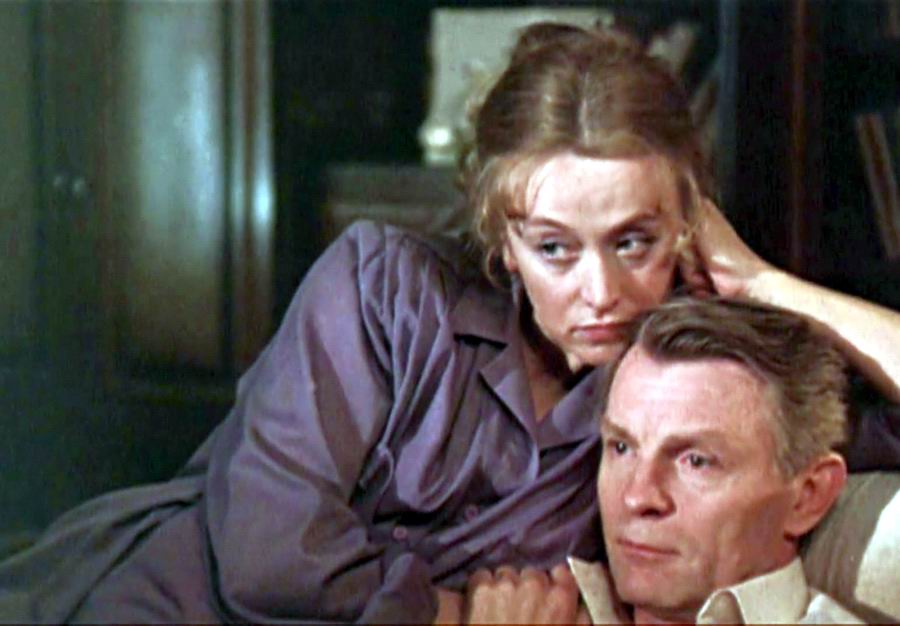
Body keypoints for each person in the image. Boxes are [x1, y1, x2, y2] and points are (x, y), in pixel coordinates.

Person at [1, 22, 898, 624]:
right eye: (554, 248)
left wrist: (765, 280)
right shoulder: (386, 288)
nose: (600, 291)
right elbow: (268, 556)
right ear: (503, 239)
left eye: (633, 241)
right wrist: (458, 615)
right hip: (166, 600)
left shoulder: (696, 390)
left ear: (685, 226)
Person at [460, 297, 863, 624]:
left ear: (808, 496)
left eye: (696, 461)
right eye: (622, 448)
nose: (637, 497)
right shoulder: (525, 607)